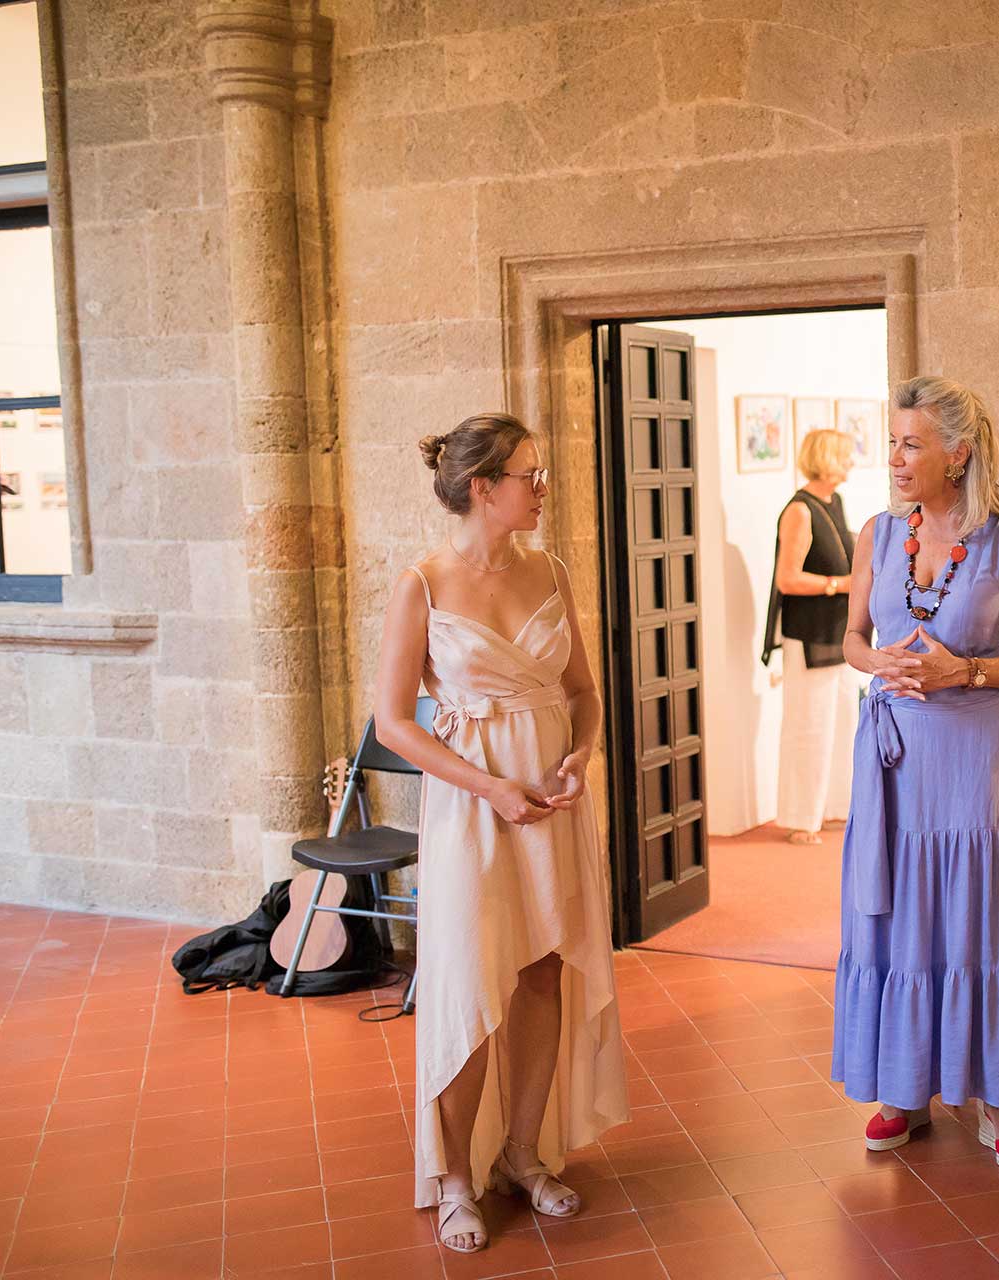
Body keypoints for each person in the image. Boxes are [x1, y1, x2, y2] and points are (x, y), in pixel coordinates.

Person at [373, 413, 629, 1253]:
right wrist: (490, 787)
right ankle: (455, 1179)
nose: (543, 487)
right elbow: (392, 723)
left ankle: (523, 1153)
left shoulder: (551, 570)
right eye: (530, 474)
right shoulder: (422, 585)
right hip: (473, 807)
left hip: (551, 804)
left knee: (543, 971)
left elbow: (583, 692)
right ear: (483, 488)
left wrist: (580, 756)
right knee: (469, 982)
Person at [831, 375, 999, 1175]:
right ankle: (905, 1090)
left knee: (974, 918)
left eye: (911, 444)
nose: (895, 459)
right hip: (894, 759)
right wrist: (878, 662)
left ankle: (997, 1099)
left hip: (974, 759)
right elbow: (852, 639)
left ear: (957, 454)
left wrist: (964, 671)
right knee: (901, 916)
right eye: (892, 443)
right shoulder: (877, 534)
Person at [762, 428, 860, 845]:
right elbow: (787, 578)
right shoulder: (799, 511)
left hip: (839, 631)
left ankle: (834, 808)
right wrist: (840, 585)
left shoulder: (834, 502)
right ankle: (801, 819)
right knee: (809, 729)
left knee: (842, 723)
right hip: (808, 634)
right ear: (828, 459)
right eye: (846, 455)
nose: (852, 462)